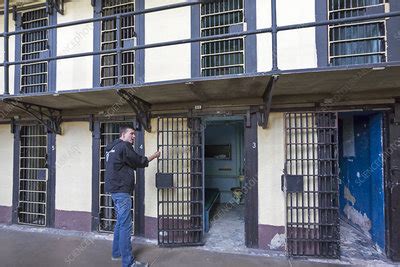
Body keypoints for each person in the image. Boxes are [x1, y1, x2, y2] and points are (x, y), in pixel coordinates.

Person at [105, 125, 160, 267]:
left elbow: (127, 163)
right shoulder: (124, 146)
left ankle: (116, 253)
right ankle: (128, 263)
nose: (134, 136)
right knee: (125, 226)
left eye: (135, 134)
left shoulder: (113, 148)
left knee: (120, 223)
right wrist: (154, 155)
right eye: (131, 134)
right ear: (123, 135)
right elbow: (138, 161)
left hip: (115, 190)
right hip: (121, 191)